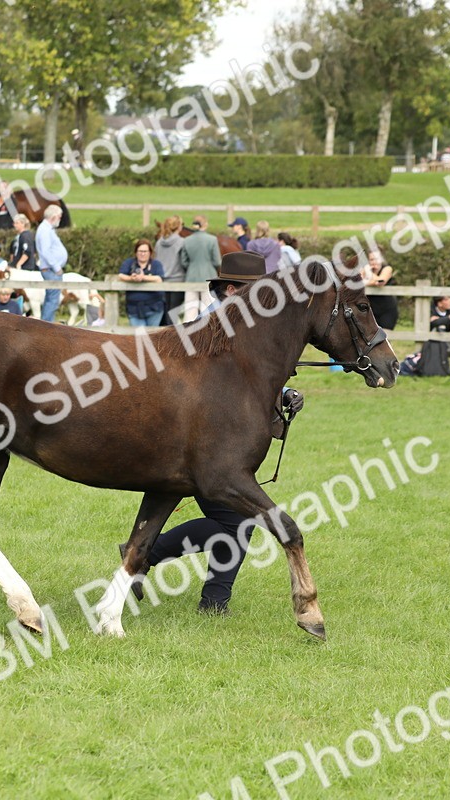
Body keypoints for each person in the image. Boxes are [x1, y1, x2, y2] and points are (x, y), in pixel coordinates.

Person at [121, 251, 305, 614]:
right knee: (239, 519)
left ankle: (210, 599)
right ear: (233, 291)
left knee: (235, 521)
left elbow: (252, 379)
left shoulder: (246, 329)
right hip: (204, 441)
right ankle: (152, 561)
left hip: (222, 438)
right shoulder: (210, 328)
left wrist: (284, 394)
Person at [179, 216, 221, 321]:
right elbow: (217, 261)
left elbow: (183, 262)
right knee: (209, 307)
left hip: (191, 277)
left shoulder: (186, 240)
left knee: (190, 310)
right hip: (209, 276)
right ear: (204, 225)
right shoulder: (212, 239)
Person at [118, 239, 165, 326]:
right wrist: (131, 278)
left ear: (150, 252)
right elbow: (121, 275)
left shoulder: (156, 264)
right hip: (134, 308)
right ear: (136, 252)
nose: (142, 254)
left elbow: (159, 279)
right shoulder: (129, 263)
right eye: (140, 251)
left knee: (152, 337)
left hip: (154, 308)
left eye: (145, 251)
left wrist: (143, 277)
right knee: (138, 337)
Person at [35, 205, 67, 322]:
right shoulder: (44, 230)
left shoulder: (47, 229)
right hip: (51, 270)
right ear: (53, 217)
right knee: (52, 301)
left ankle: (46, 325)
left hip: (51, 269)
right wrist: (57, 267)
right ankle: (46, 326)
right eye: (59, 217)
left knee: (51, 299)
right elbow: (46, 251)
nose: (60, 219)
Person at [155, 215, 186, 322]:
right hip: (178, 281)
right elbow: (184, 262)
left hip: (162, 282)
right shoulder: (182, 242)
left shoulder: (159, 243)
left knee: (165, 313)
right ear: (179, 227)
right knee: (173, 315)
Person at [362, 250, 398, 331]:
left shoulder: (387, 269)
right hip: (369, 310)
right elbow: (357, 283)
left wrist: (368, 274)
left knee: (385, 338)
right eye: (371, 259)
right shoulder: (364, 270)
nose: (374, 262)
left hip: (387, 309)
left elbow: (380, 282)